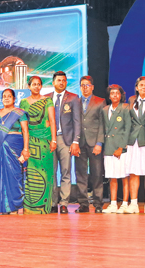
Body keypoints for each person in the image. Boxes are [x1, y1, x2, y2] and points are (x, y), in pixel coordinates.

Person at [19, 76, 56, 214]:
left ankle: (44, 207)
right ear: (29, 86)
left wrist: (53, 140)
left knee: (46, 174)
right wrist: (25, 145)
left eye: (38, 84)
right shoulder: (23, 102)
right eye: (33, 84)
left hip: (45, 141)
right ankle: (30, 207)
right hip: (30, 141)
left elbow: (52, 120)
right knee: (31, 173)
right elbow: (23, 125)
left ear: (41, 86)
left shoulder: (48, 100)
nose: (36, 86)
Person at [47, 71, 82, 214]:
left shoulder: (73, 98)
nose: (61, 82)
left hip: (65, 139)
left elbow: (77, 121)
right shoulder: (46, 98)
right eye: (59, 80)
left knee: (66, 172)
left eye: (64, 80)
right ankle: (53, 202)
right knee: (52, 172)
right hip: (50, 139)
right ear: (53, 83)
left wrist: (75, 141)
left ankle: (64, 203)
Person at [0, 89, 30, 215]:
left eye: (9, 96)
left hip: (16, 146)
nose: (6, 98)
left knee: (15, 175)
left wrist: (26, 149)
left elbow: (25, 131)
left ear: (14, 99)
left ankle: (16, 205)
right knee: (2, 176)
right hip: (1, 147)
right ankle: (5, 206)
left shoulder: (19, 113)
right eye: (4, 96)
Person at [74, 76, 106, 213]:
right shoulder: (76, 102)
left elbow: (103, 124)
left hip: (95, 143)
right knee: (80, 174)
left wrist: (99, 143)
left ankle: (98, 203)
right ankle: (83, 204)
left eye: (87, 85)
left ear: (92, 87)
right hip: (79, 143)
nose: (85, 88)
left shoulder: (100, 101)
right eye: (82, 85)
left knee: (97, 174)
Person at [127, 76, 145, 214]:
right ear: (137, 87)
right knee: (134, 172)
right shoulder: (132, 100)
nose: (144, 87)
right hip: (133, 140)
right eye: (141, 85)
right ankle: (133, 203)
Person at [101, 85, 132, 213]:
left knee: (124, 177)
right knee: (112, 177)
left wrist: (121, 147)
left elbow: (127, 129)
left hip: (121, 148)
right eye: (112, 93)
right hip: (109, 147)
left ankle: (125, 203)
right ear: (109, 96)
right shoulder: (105, 109)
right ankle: (113, 203)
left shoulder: (125, 108)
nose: (115, 95)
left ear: (121, 95)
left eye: (117, 93)